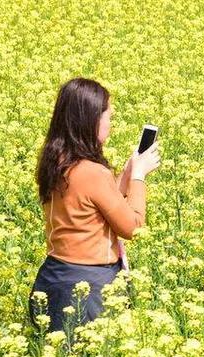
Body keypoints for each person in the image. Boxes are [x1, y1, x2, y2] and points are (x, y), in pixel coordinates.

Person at [30, 78, 161, 334]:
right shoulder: (92, 173)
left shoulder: (55, 163)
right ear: (89, 121)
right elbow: (132, 227)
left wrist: (125, 173)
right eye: (107, 118)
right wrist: (138, 176)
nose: (110, 126)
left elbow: (91, 204)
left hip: (53, 281)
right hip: (87, 291)